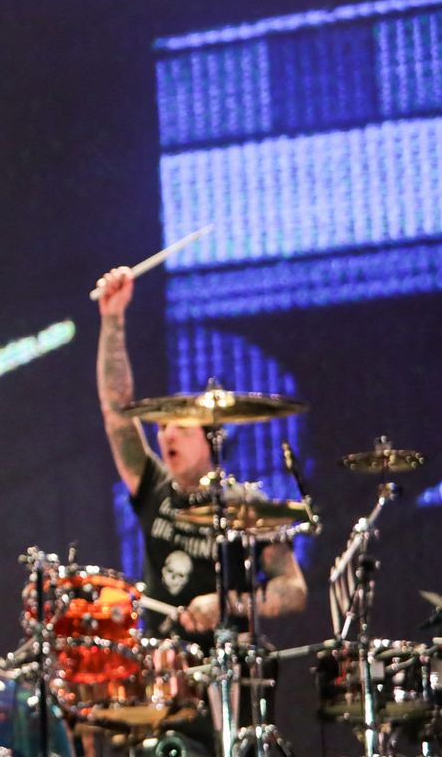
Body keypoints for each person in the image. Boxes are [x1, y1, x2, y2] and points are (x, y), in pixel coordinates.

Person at [92, 266, 308, 640]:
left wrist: (227, 604)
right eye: (162, 428)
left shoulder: (246, 506)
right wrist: (113, 318)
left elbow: (293, 590)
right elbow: (116, 412)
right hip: (163, 661)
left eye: (181, 427)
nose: (167, 435)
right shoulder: (154, 487)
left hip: (227, 659)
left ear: (210, 439)